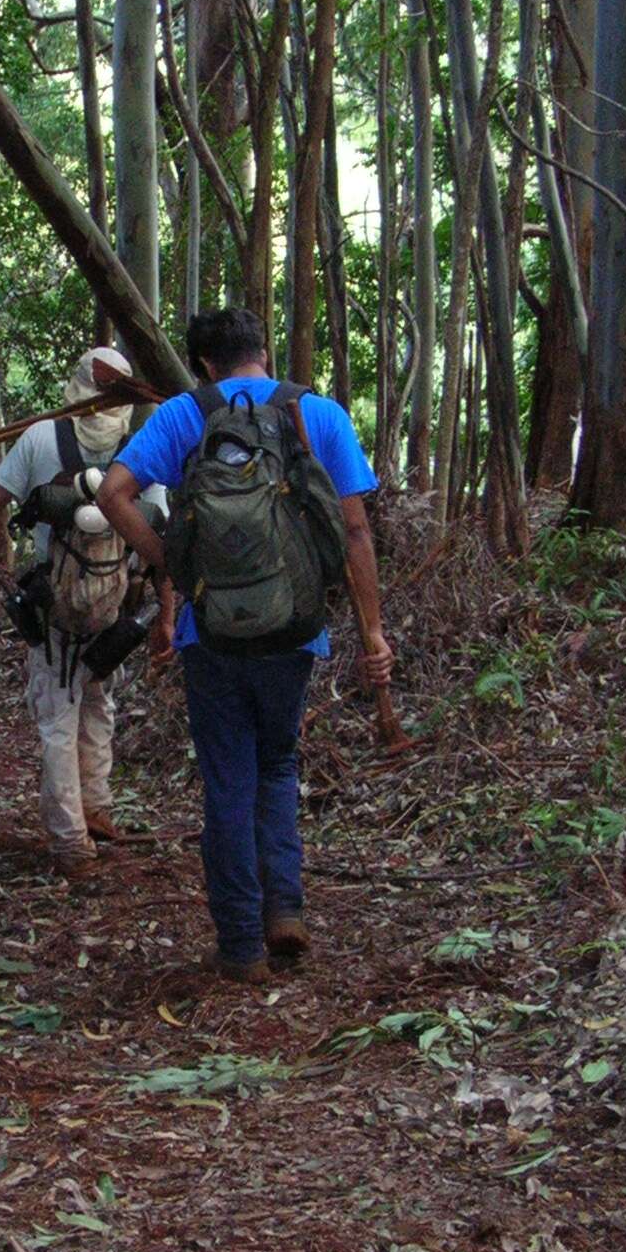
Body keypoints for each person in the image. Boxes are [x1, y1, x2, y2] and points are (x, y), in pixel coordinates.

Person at [96, 309, 394, 983]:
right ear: (264, 349)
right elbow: (354, 534)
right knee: (278, 765)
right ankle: (284, 909)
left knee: (228, 778)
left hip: (213, 630)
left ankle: (240, 945)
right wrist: (372, 630)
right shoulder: (317, 415)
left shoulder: (182, 415)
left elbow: (115, 495)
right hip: (295, 629)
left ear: (204, 363)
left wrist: (168, 562)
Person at [0, 346, 168, 880]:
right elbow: (158, 524)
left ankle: (72, 840)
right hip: (114, 601)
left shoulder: (39, 438)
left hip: (54, 605)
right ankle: (96, 806)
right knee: (99, 697)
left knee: (58, 713)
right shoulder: (140, 446)